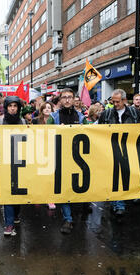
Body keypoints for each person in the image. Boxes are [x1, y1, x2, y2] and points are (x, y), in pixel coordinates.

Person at [98, 89, 140, 217]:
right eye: (113, 101)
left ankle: (118, 203)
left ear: (124, 100)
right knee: (114, 178)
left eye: (117, 102)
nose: (114, 104)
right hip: (111, 151)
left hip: (129, 151)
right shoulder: (106, 114)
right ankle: (118, 204)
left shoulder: (135, 113)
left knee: (123, 177)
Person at [47, 88, 86, 234]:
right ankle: (68, 218)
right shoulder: (53, 117)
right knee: (63, 188)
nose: (68, 100)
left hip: (78, 158)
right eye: (64, 97)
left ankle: (76, 211)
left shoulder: (82, 117)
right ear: (60, 100)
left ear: (75, 99)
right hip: (60, 158)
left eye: (70, 97)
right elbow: (46, 135)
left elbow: (91, 135)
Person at [0, 96, 26, 236]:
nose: (13, 108)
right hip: (4, 161)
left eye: (15, 106)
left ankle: (16, 215)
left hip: (19, 161)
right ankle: (9, 224)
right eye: (10, 106)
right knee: (8, 193)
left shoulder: (23, 122)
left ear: (18, 108)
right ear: (6, 107)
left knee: (17, 193)